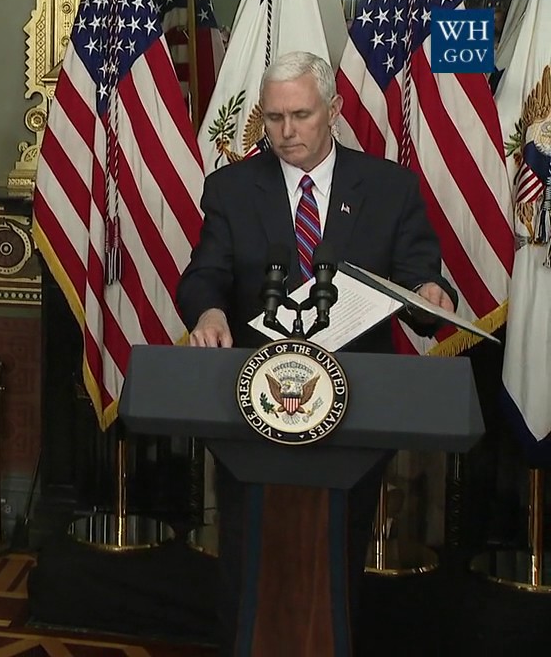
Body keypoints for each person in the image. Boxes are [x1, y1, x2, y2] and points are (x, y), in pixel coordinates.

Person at [175, 50, 457, 654]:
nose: (285, 132)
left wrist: (430, 294)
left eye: (300, 115)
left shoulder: (388, 187)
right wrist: (209, 311)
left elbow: (421, 284)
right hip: (254, 407)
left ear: (333, 110)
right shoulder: (231, 188)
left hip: (354, 411)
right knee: (250, 550)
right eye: (274, 118)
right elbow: (203, 274)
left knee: (337, 550)